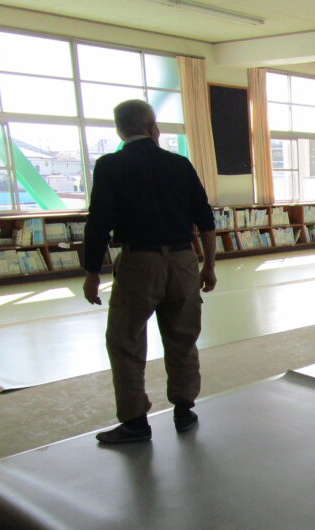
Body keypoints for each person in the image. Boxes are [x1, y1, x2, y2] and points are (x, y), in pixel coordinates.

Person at [83, 99, 217, 444]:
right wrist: (208, 265)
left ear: (119, 131)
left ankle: (135, 423)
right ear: (153, 127)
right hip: (183, 261)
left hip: (139, 262)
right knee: (182, 336)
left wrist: (92, 272)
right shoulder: (179, 164)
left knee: (125, 340)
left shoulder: (110, 166)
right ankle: (184, 410)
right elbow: (205, 218)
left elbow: (98, 223)